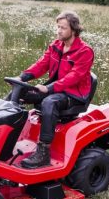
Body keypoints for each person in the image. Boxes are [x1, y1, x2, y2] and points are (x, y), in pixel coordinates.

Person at [15, 11, 94, 168]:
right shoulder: (56, 46)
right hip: (54, 88)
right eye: (58, 27)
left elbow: (74, 76)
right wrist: (21, 78)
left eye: (63, 28)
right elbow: (41, 64)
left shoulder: (85, 51)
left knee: (49, 103)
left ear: (74, 29)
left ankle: (43, 153)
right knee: (18, 92)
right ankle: (8, 135)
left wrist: (49, 88)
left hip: (74, 94)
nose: (59, 31)